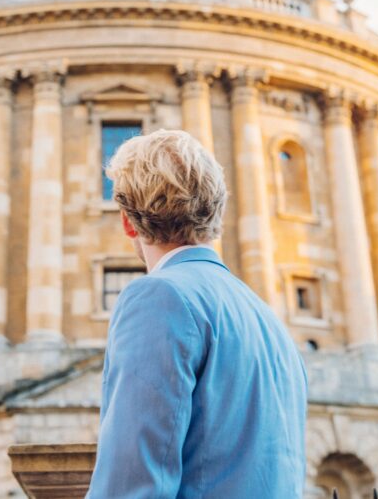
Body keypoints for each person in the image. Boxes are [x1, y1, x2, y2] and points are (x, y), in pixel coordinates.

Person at [86, 129, 308, 498]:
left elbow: (132, 483)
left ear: (128, 220)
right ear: (215, 212)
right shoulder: (270, 322)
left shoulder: (159, 297)